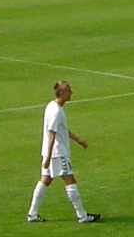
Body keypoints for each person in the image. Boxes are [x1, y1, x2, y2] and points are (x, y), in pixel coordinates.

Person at [28, 80, 100, 223]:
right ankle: (82, 215)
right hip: (57, 153)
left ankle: (32, 214)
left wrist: (78, 140)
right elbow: (52, 134)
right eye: (68, 91)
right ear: (61, 93)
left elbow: (61, 130)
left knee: (45, 180)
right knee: (70, 180)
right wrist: (48, 157)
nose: (71, 93)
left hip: (50, 153)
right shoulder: (55, 111)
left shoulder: (51, 106)